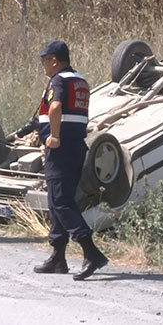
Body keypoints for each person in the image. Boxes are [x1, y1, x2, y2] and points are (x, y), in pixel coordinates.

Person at [32, 40, 108, 281]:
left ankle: (91, 252)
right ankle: (58, 257)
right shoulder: (80, 80)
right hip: (76, 146)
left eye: (45, 61)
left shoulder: (59, 80)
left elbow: (55, 107)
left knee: (61, 201)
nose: (43, 66)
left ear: (54, 61)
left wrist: (53, 136)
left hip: (61, 148)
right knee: (57, 201)